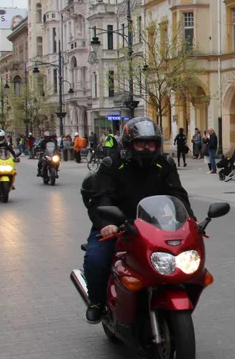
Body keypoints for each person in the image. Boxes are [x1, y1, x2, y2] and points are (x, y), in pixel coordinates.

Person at [81, 117, 193, 324]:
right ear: (129, 143)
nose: (147, 148)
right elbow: (102, 197)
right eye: (140, 143)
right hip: (117, 225)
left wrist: (189, 220)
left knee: (183, 260)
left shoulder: (165, 164)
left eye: (151, 143)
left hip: (155, 226)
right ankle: (96, 301)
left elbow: (177, 193)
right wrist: (107, 224)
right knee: (96, 259)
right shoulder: (112, 164)